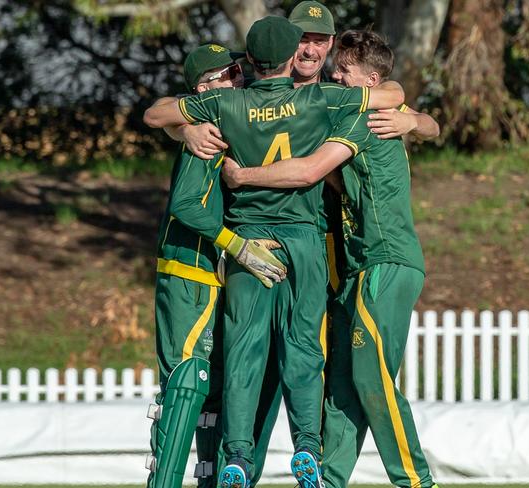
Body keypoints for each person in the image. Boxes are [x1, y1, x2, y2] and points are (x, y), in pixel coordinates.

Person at [144, 15, 405, 488]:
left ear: (249, 60)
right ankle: (307, 444)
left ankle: (238, 457)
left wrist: (186, 128)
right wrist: (412, 118)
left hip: (249, 239)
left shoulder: (224, 103)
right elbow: (391, 95)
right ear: (290, 58)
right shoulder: (319, 97)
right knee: (304, 347)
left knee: (244, 352)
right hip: (304, 239)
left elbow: (156, 114)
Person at [221, 29, 440, 488]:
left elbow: (309, 171)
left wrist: (244, 176)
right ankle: (328, 479)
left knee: (373, 378)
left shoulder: (366, 113)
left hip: (388, 262)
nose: (335, 74)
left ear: (371, 80)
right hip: (357, 268)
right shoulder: (351, 108)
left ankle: (417, 481)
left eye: (345, 70)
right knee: (342, 383)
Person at [143, 43, 286, 488]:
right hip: (190, 272)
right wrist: (238, 246)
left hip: (215, 274)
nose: (240, 79)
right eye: (230, 74)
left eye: (240, 71)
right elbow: (187, 205)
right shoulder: (204, 131)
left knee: (218, 394)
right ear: (205, 88)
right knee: (188, 383)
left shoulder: (228, 123)